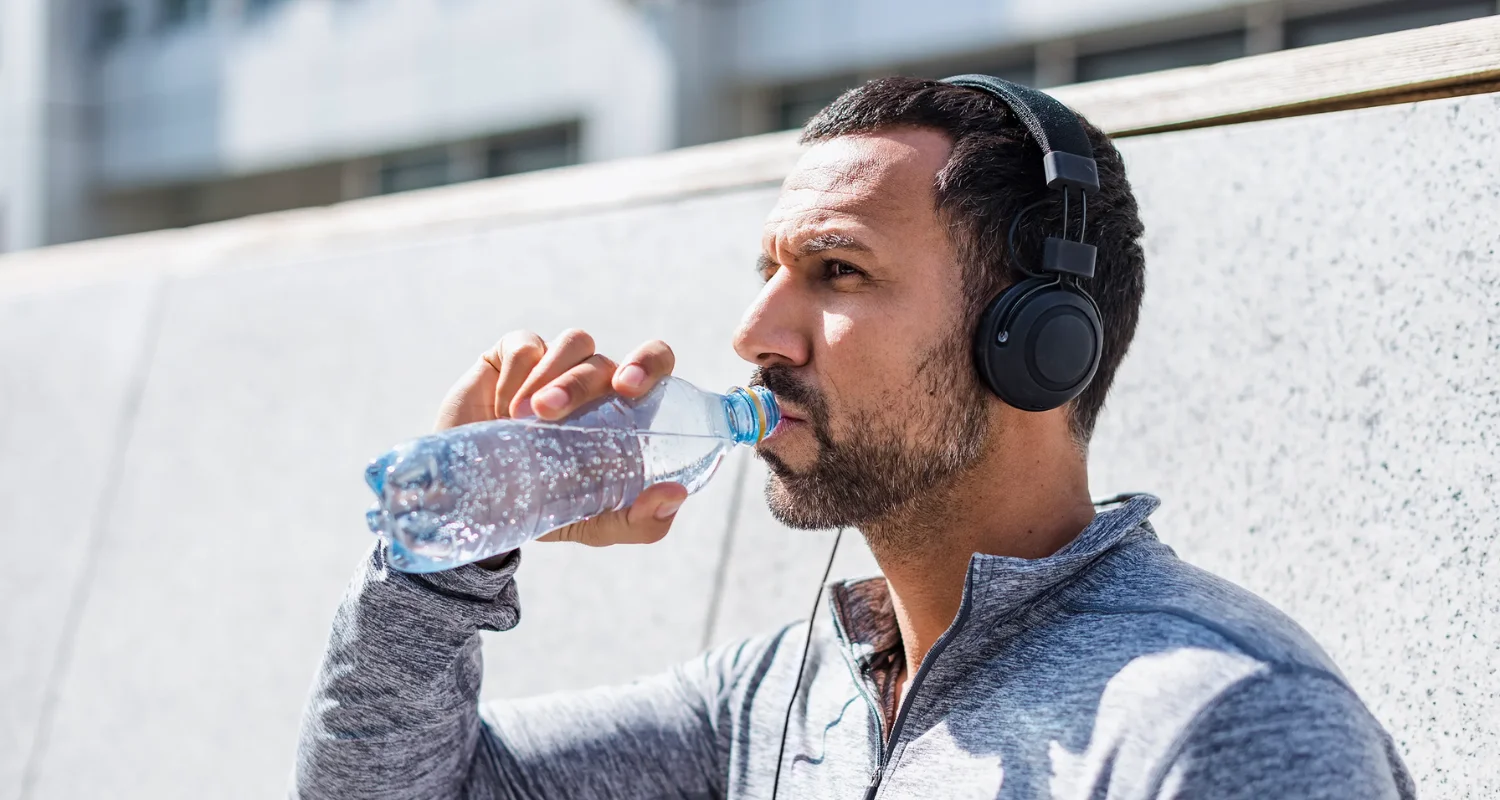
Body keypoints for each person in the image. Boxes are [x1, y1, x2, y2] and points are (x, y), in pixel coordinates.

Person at [293, 77, 1413, 799]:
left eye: (836, 271)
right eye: (767, 270)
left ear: (1035, 340)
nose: (753, 330)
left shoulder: (1223, 721)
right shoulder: (780, 697)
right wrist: (445, 544)